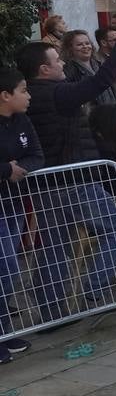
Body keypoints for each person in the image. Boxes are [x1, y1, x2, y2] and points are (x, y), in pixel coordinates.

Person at [16, 15, 116, 326]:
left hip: (46, 183)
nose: (62, 64)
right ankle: (92, 292)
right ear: (44, 69)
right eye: (57, 60)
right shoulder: (55, 93)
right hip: (72, 179)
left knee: (55, 247)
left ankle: (53, 314)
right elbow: (99, 82)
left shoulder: (29, 95)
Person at [0, 67, 39, 363]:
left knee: (9, 270)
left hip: (13, 205)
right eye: (23, 90)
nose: (28, 95)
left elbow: (37, 155)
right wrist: (6, 169)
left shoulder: (23, 120)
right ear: (5, 95)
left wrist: (17, 169)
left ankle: (3, 330)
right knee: (5, 268)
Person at [61, 30, 116, 108]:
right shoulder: (68, 70)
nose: (85, 47)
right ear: (70, 48)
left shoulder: (99, 63)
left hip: (112, 111)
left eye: (87, 43)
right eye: (79, 44)